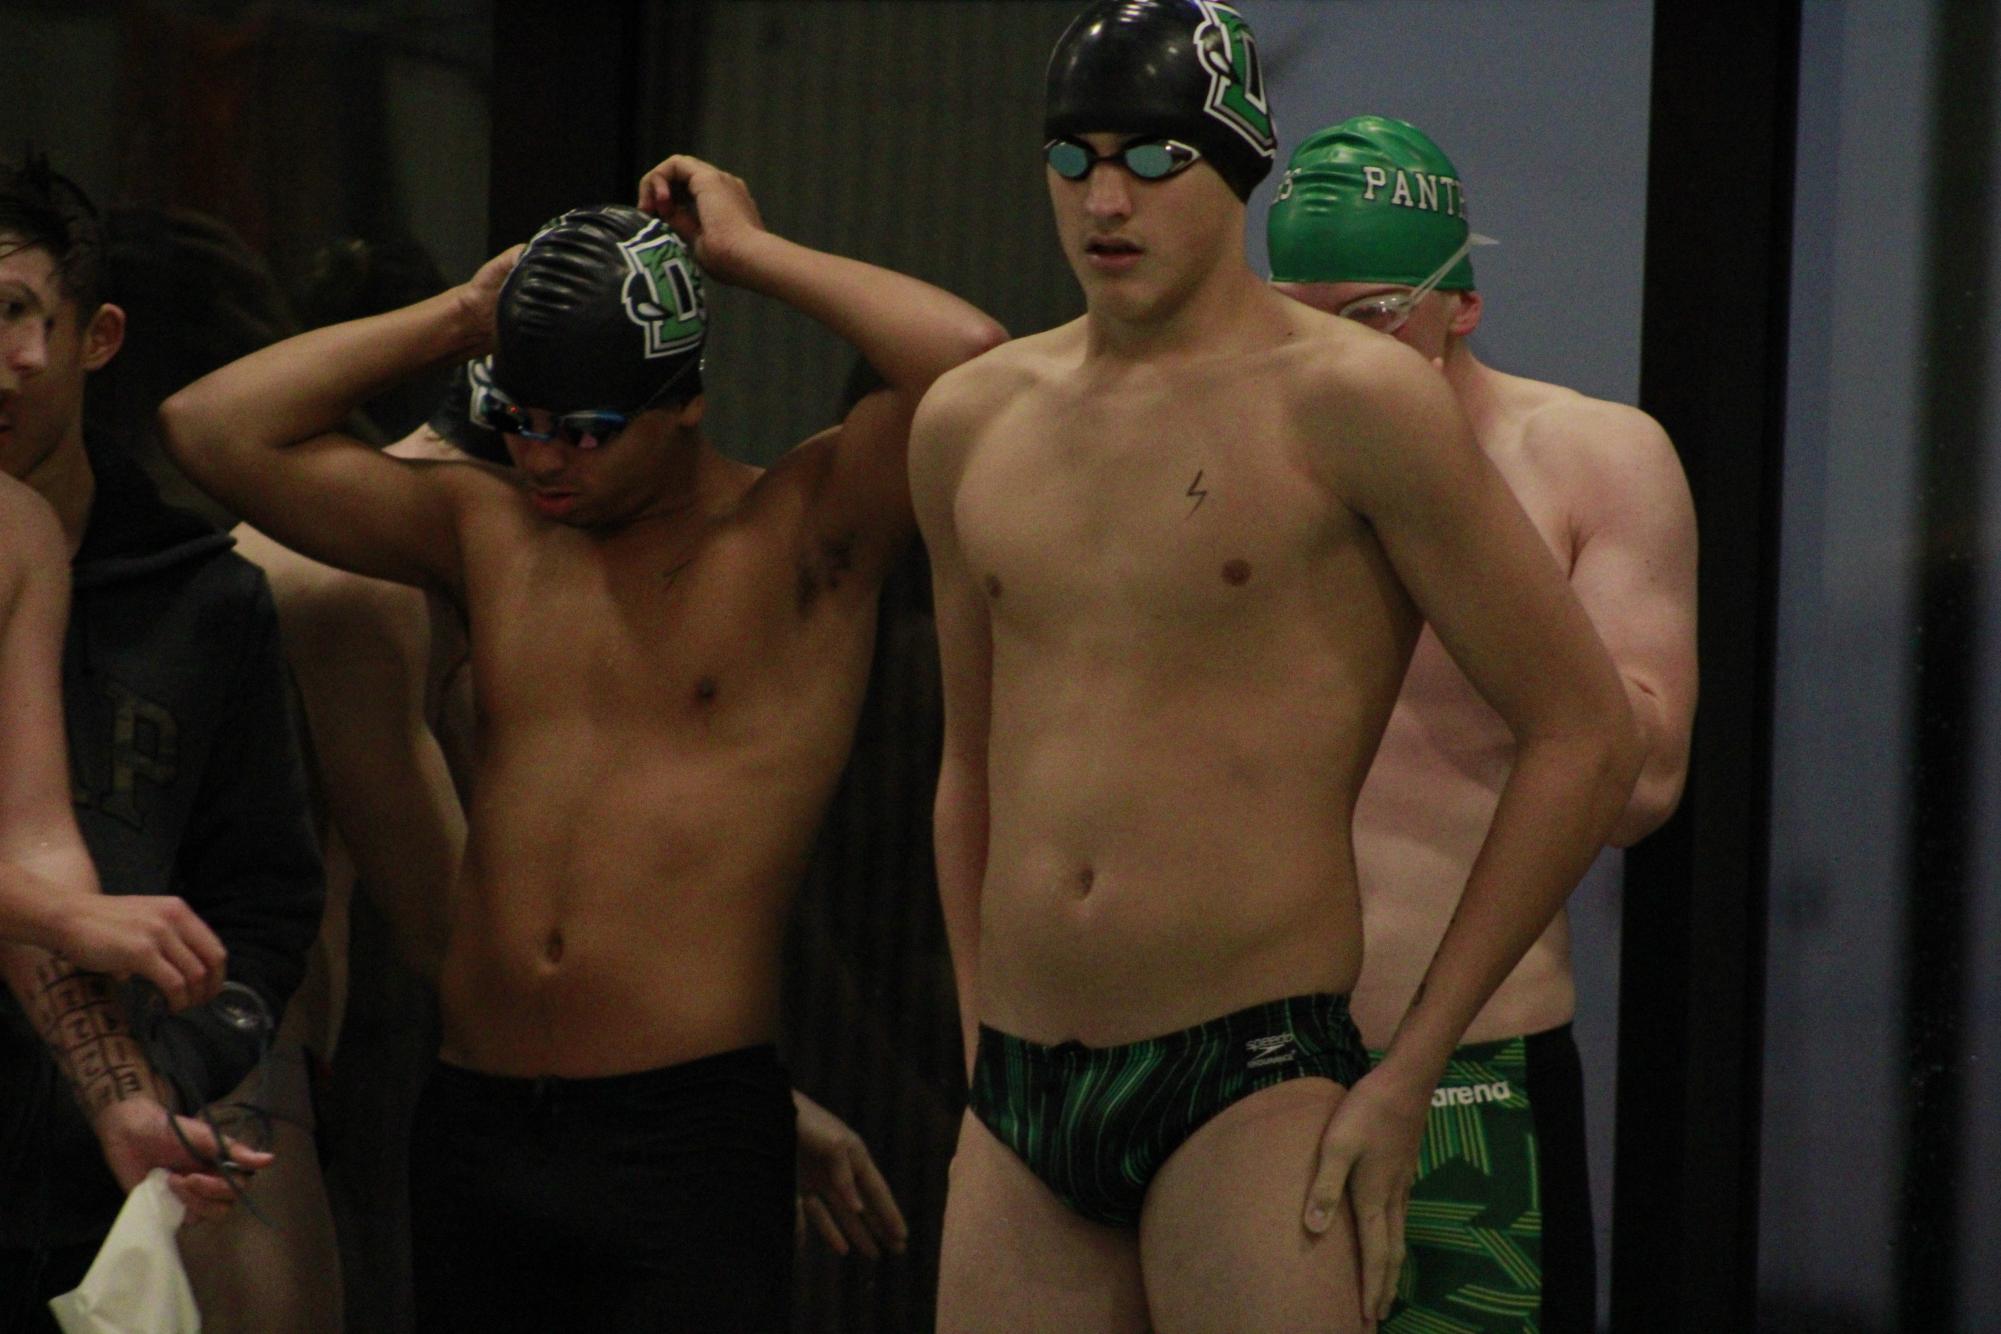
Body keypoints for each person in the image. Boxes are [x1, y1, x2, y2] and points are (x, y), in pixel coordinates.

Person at [160, 155, 1003, 1330]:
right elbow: (211, 425)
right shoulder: (486, 530)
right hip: (476, 1119)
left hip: (685, 1130)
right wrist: (467, 311)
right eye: (524, 423)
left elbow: (972, 364)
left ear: (686, 401)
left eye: (589, 432)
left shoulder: (802, 535)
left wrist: (746, 253)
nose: (548, 461)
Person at [912, 4, 1642, 1330]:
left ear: (1238, 170)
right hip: (1022, 1091)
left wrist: (1412, 1060)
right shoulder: (968, 424)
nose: (1105, 198)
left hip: (1243, 1079)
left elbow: (1587, 731)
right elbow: (967, 766)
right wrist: (977, 1049)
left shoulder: (1355, 404)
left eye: (1153, 159)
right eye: (1072, 159)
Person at [1266, 113, 1698, 1330]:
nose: (1332, 351)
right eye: (1296, 318)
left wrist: (1454, 538)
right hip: (1240, 1067)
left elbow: (1645, 782)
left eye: (1371, 316)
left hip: (1468, 1071)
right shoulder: (1241, 461)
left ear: (1462, 303)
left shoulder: (1588, 457)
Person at [0, 155, 324, 1329]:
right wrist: (57, 914)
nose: (6, 360)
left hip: (72, 1185)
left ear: (94, 332)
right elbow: (44, 899)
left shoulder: (171, 588)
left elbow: (46, 859)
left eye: (18, 312)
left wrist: (134, 1090)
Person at [0, 473, 226, 1006]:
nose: (6, 385)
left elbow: (34, 843)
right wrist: (59, 916)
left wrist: (123, 1088)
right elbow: (51, 905)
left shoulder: (19, 525)